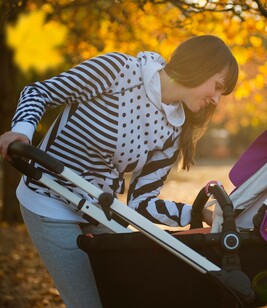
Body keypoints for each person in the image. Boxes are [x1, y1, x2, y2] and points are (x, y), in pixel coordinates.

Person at [0, 35, 239, 307]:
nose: (217, 101)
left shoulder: (174, 129)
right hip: (49, 196)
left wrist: (199, 213)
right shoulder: (119, 71)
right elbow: (39, 92)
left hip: (97, 209)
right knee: (89, 303)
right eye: (217, 87)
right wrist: (22, 131)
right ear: (200, 66)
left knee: (124, 296)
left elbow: (142, 204)